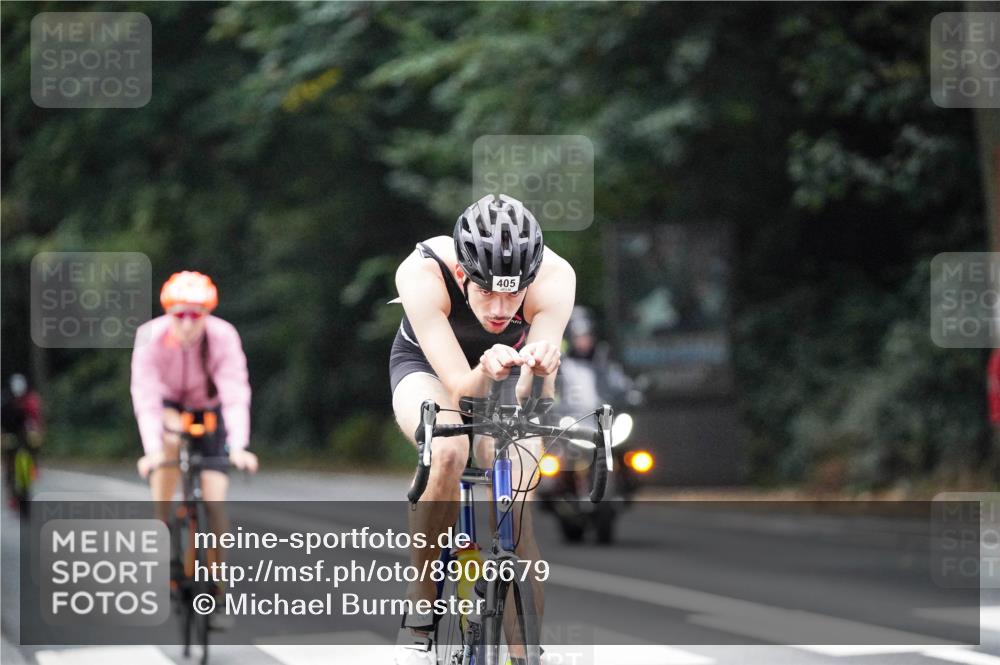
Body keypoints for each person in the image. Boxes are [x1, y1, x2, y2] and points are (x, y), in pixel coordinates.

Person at [390, 194, 575, 665]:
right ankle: (420, 605)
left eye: (512, 294)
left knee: (516, 491)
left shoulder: (555, 279)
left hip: (505, 371)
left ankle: (525, 653)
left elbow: (536, 401)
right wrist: (486, 371)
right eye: (486, 291)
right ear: (461, 276)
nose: (499, 308)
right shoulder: (422, 273)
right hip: (429, 368)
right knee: (448, 450)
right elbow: (459, 388)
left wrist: (542, 367)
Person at [131, 271, 258, 615]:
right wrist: (152, 452)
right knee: (169, 439)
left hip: (209, 408)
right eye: (180, 315)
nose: (188, 324)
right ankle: (162, 524)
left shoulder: (223, 336)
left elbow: (235, 391)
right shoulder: (150, 338)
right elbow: (146, 397)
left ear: (207, 314)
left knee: (215, 501)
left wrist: (238, 445)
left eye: (196, 315)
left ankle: (216, 582)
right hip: (169, 407)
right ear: (169, 313)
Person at [1, 373, 44, 508]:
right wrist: (3, 436)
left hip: (24, 432)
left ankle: (34, 467)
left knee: (33, 444)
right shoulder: (5, 401)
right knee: (10, 465)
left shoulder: (30, 400)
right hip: (9, 433)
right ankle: (12, 493)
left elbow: (35, 418)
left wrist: (35, 432)